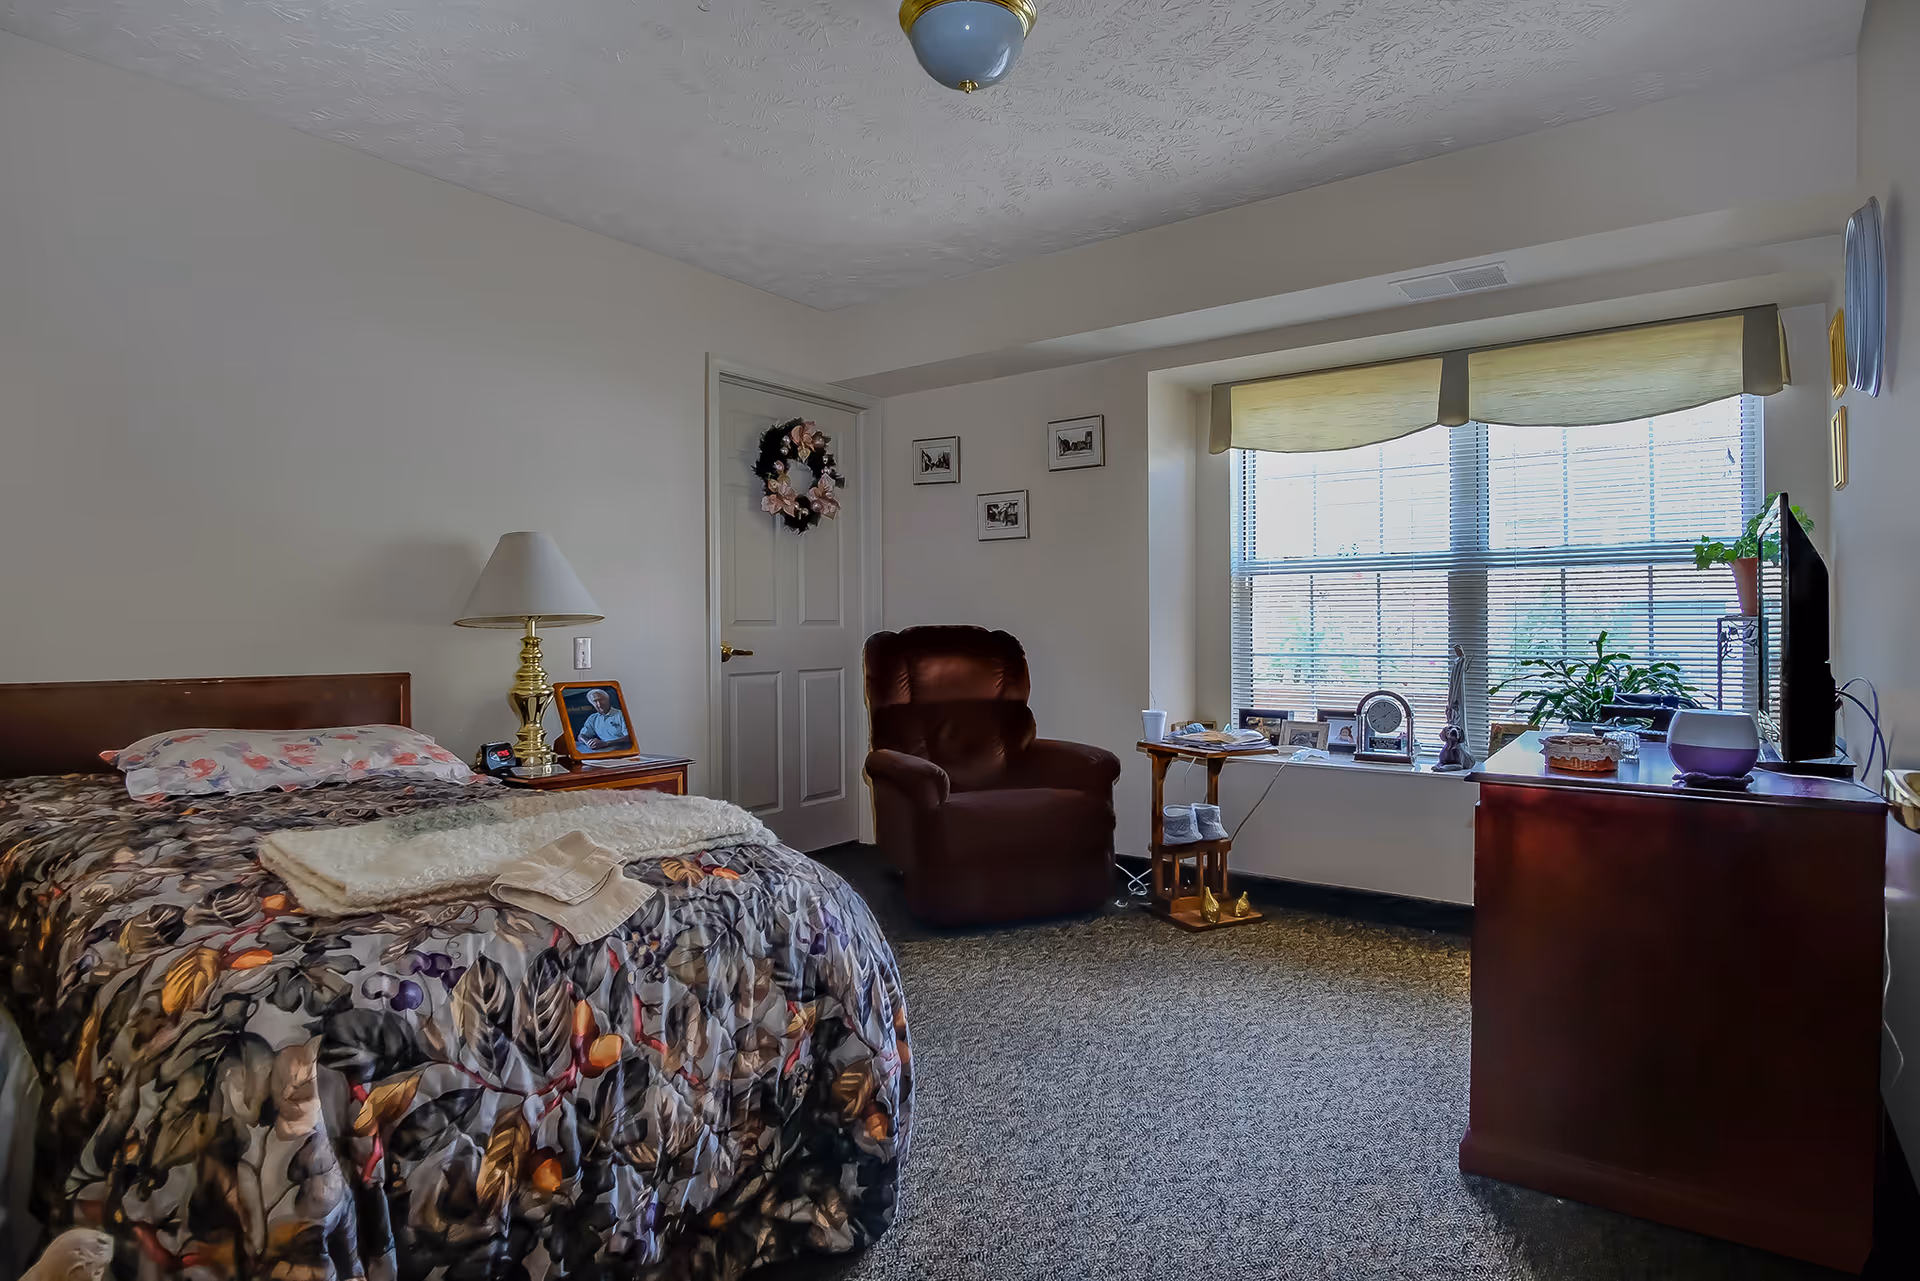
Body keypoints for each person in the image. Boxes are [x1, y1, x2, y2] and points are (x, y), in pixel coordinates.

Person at [574, 688, 631, 753]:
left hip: (621, 751)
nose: (599, 704)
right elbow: (581, 736)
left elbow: (629, 737)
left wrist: (606, 744)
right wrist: (588, 743)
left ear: (608, 700)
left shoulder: (621, 715)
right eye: (595, 701)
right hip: (603, 751)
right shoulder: (593, 718)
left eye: (601, 700)